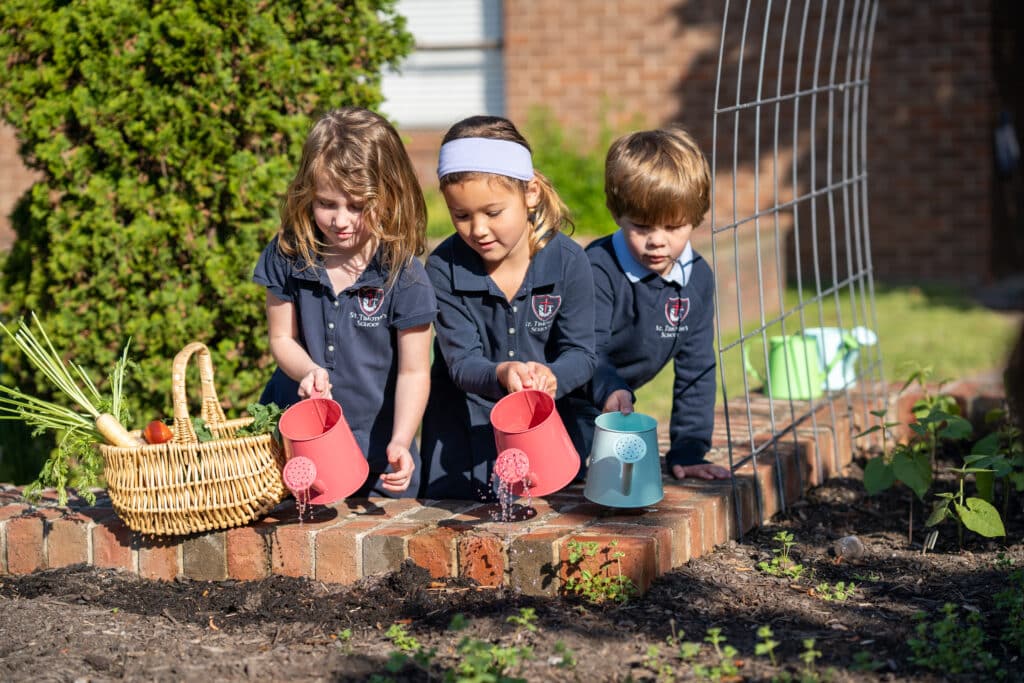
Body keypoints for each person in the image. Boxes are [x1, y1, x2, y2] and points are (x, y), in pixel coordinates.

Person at [253, 107, 436, 497]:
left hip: (377, 456)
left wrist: (402, 441)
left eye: (357, 206)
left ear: (390, 195)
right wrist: (306, 371)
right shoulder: (288, 253)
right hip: (297, 450)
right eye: (326, 204)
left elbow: (414, 372)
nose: (341, 220)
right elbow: (282, 339)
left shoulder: (402, 274)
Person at [419, 115, 597, 500]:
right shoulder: (442, 268)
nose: (477, 229)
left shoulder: (569, 262)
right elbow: (461, 363)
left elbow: (582, 353)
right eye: (461, 216)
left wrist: (552, 377)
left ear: (530, 192)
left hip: (547, 435)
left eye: (493, 212)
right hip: (462, 445)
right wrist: (502, 371)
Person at [568, 126, 729, 481]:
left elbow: (696, 369)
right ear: (616, 213)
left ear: (696, 216)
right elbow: (585, 349)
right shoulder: (597, 268)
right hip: (570, 393)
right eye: (641, 227)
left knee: (622, 471)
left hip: (615, 399)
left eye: (673, 227)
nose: (657, 241)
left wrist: (689, 449)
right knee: (585, 471)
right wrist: (609, 389)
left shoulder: (697, 279)